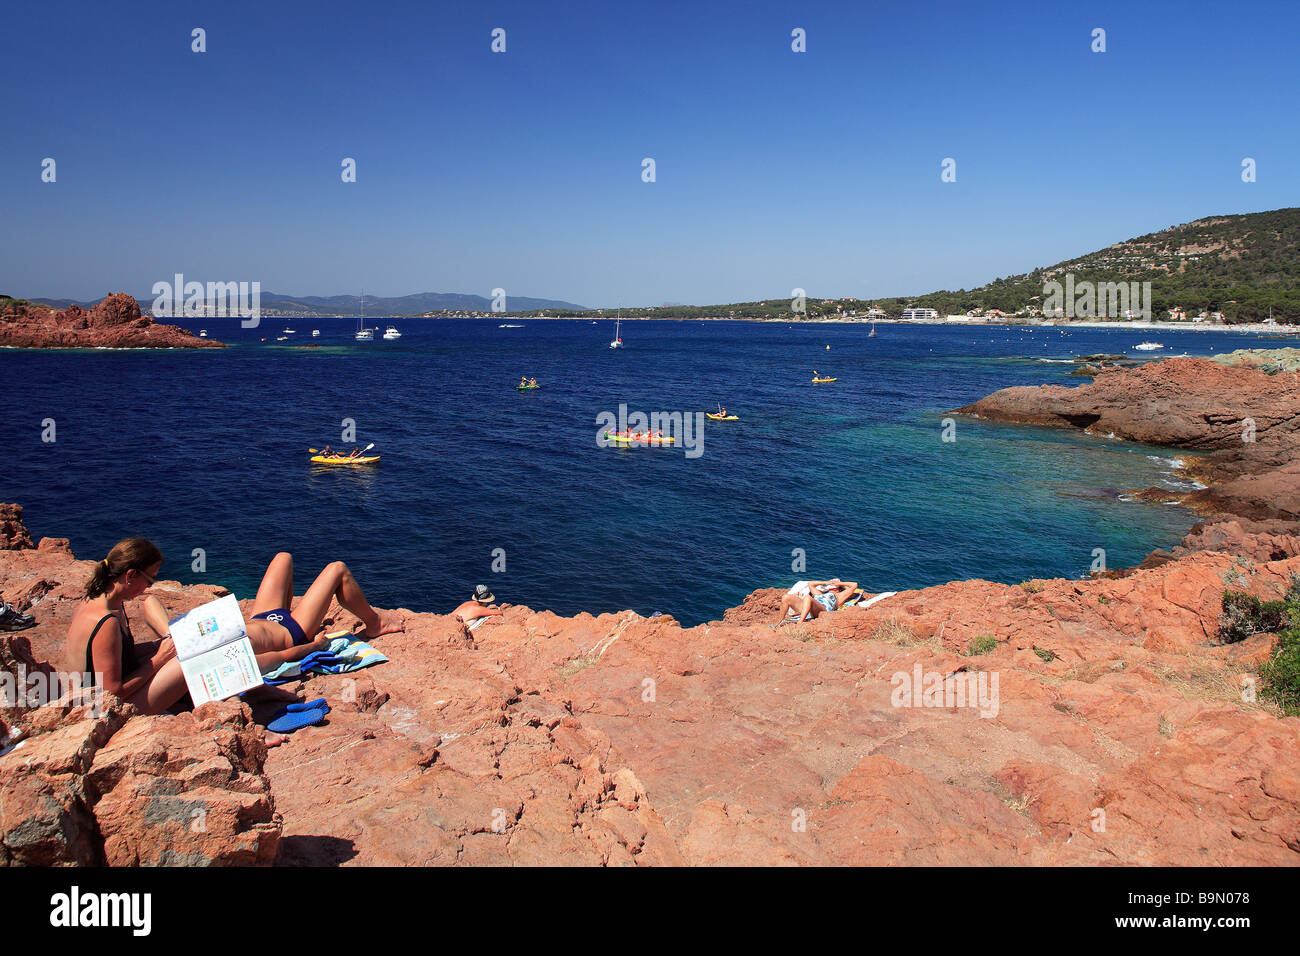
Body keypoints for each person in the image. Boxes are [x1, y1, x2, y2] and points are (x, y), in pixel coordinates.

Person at [62, 539, 403, 716]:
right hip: (291, 632)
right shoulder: (105, 622)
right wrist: (313, 648)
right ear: (129, 575)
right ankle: (375, 623)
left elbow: (148, 611)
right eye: (148, 579)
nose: (149, 588)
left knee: (283, 557)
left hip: (261, 621)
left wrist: (168, 638)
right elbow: (111, 693)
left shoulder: (104, 604)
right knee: (337, 569)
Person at [778, 578, 859, 623]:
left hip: (822, 610)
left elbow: (854, 585)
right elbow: (810, 584)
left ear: (838, 588)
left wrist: (840, 583)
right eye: (832, 581)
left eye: (834, 583)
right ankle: (779, 621)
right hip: (809, 608)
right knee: (786, 597)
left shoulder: (839, 596)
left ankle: (800, 623)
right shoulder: (820, 593)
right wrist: (826, 582)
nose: (832, 583)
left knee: (808, 598)